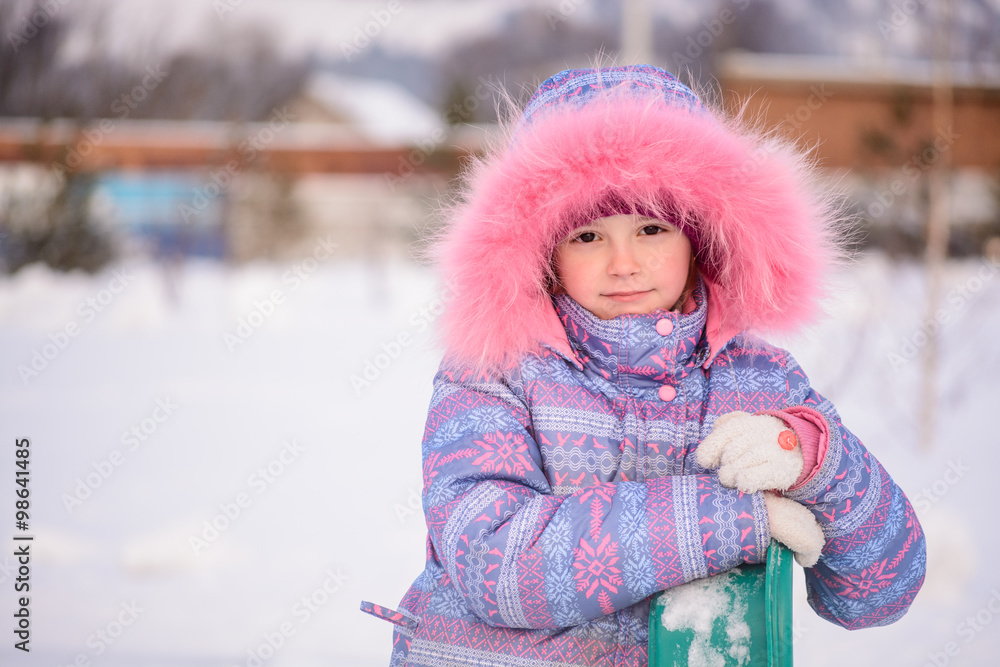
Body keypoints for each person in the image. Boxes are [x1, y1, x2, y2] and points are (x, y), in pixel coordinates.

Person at [361, 64, 926, 667]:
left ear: (701, 235)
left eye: (652, 227)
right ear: (541, 249)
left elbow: (880, 593)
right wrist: (728, 519)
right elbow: (494, 563)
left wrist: (817, 462)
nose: (623, 263)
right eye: (586, 236)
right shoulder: (493, 371)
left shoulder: (757, 379)